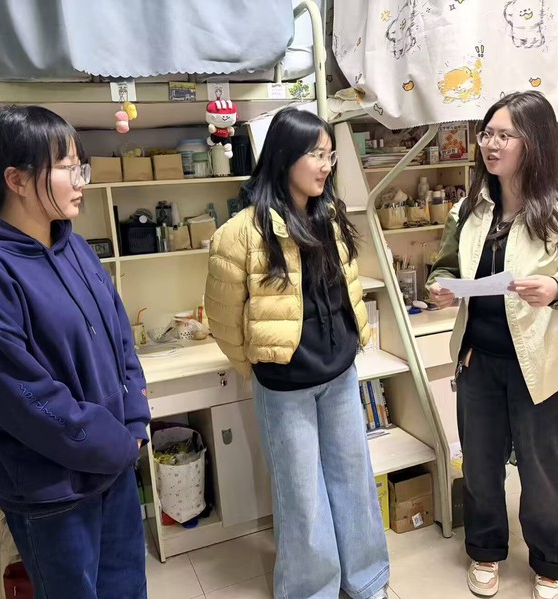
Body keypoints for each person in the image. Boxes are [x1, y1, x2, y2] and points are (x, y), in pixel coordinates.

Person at [0, 105, 150, 599]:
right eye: (66, 167)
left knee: (128, 591)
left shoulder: (74, 247)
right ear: (16, 179)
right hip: (53, 494)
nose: (80, 181)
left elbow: (121, 337)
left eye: (81, 167)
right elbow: (24, 397)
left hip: (113, 470)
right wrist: (116, 444)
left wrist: (135, 422)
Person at [427, 91, 558, 599]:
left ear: (534, 142)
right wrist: (441, 287)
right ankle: (485, 551)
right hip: (479, 363)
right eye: (487, 134)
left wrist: (557, 289)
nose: (491, 144)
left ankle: (552, 563)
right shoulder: (469, 210)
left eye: (504, 135)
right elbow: (445, 267)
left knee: (543, 473)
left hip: (545, 367)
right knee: (480, 468)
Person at [204, 107, 390, 599]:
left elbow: (347, 290)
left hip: (339, 373)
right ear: (284, 156)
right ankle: (312, 590)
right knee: (302, 495)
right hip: (285, 384)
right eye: (316, 155)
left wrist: (352, 343)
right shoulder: (240, 233)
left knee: (353, 478)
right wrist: (258, 364)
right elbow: (223, 319)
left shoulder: (329, 218)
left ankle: (367, 579)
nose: (326, 166)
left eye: (330, 156)